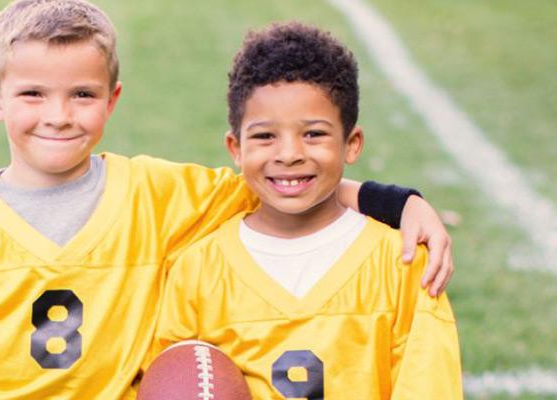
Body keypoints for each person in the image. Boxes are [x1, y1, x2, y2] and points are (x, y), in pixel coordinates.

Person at [0, 1, 456, 398]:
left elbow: (281, 183)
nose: (59, 115)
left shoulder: (158, 195)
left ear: (113, 99)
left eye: (82, 94)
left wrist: (395, 202)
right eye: (33, 94)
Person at [145, 22, 462, 399]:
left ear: (351, 143)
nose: (289, 154)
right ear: (236, 148)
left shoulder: (402, 264)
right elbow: (176, 381)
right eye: (265, 136)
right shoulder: (198, 270)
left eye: (313, 134)